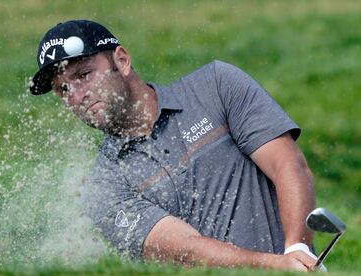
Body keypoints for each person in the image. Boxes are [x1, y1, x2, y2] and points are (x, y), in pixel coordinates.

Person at [29, 20, 322, 272]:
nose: (77, 95)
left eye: (84, 75)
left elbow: (288, 166)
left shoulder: (216, 86)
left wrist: (298, 251)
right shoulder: (101, 187)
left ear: (122, 60)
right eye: (63, 89)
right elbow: (186, 251)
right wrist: (275, 267)